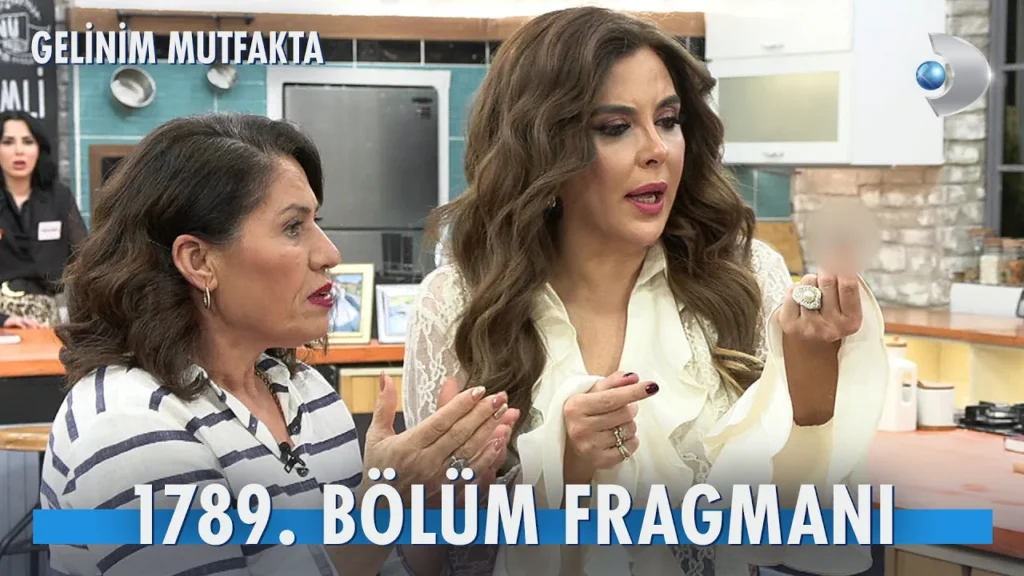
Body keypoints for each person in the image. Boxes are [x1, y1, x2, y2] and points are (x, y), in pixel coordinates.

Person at [401, 7, 889, 576]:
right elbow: (425, 558)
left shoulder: (749, 277)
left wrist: (809, 363)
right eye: (615, 127)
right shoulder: (456, 305)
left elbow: (791, 516)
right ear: (541, 148)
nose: (657, 148)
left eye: (668, 119)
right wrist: (564, 466)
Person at [41, 113, 520, 576]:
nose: (330, 253)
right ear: (199, 261)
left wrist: (432, 507)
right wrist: (378, 506)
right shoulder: (126, 418)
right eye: (293, 227)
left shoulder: (307, 394)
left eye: (316, 222)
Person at [0, 110, 87, 328]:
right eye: (8, 142)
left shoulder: (59, 197)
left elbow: (85, 259)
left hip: (48, 315)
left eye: (28, 141)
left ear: (39, 147)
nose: (19, 151)